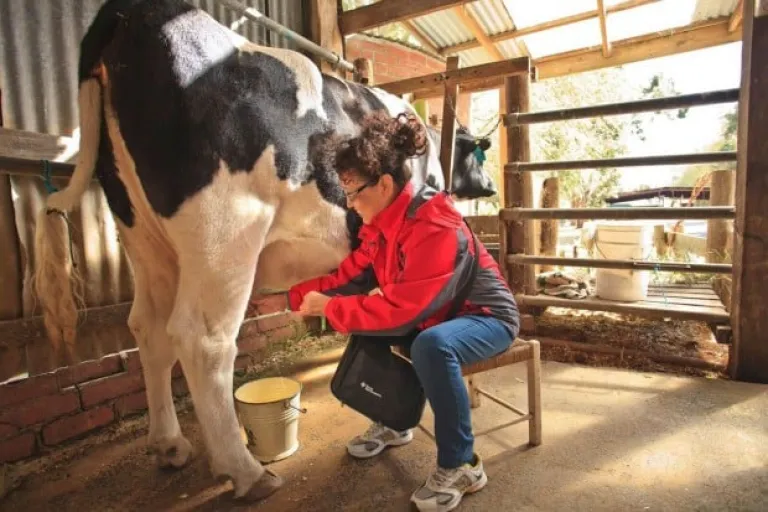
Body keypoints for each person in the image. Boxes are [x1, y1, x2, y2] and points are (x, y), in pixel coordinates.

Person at [259, 111, 520, 511]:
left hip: (486, 318)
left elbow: (401, 310)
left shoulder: (435, 224)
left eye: (352, 192)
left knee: (431, 346)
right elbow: (352, 274)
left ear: (383, 184)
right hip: (438, 313)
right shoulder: (382, 222)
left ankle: (462, 464)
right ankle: (395, 419)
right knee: (372, 324)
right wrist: (293, 298)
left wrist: (333, 308)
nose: (349, 203)